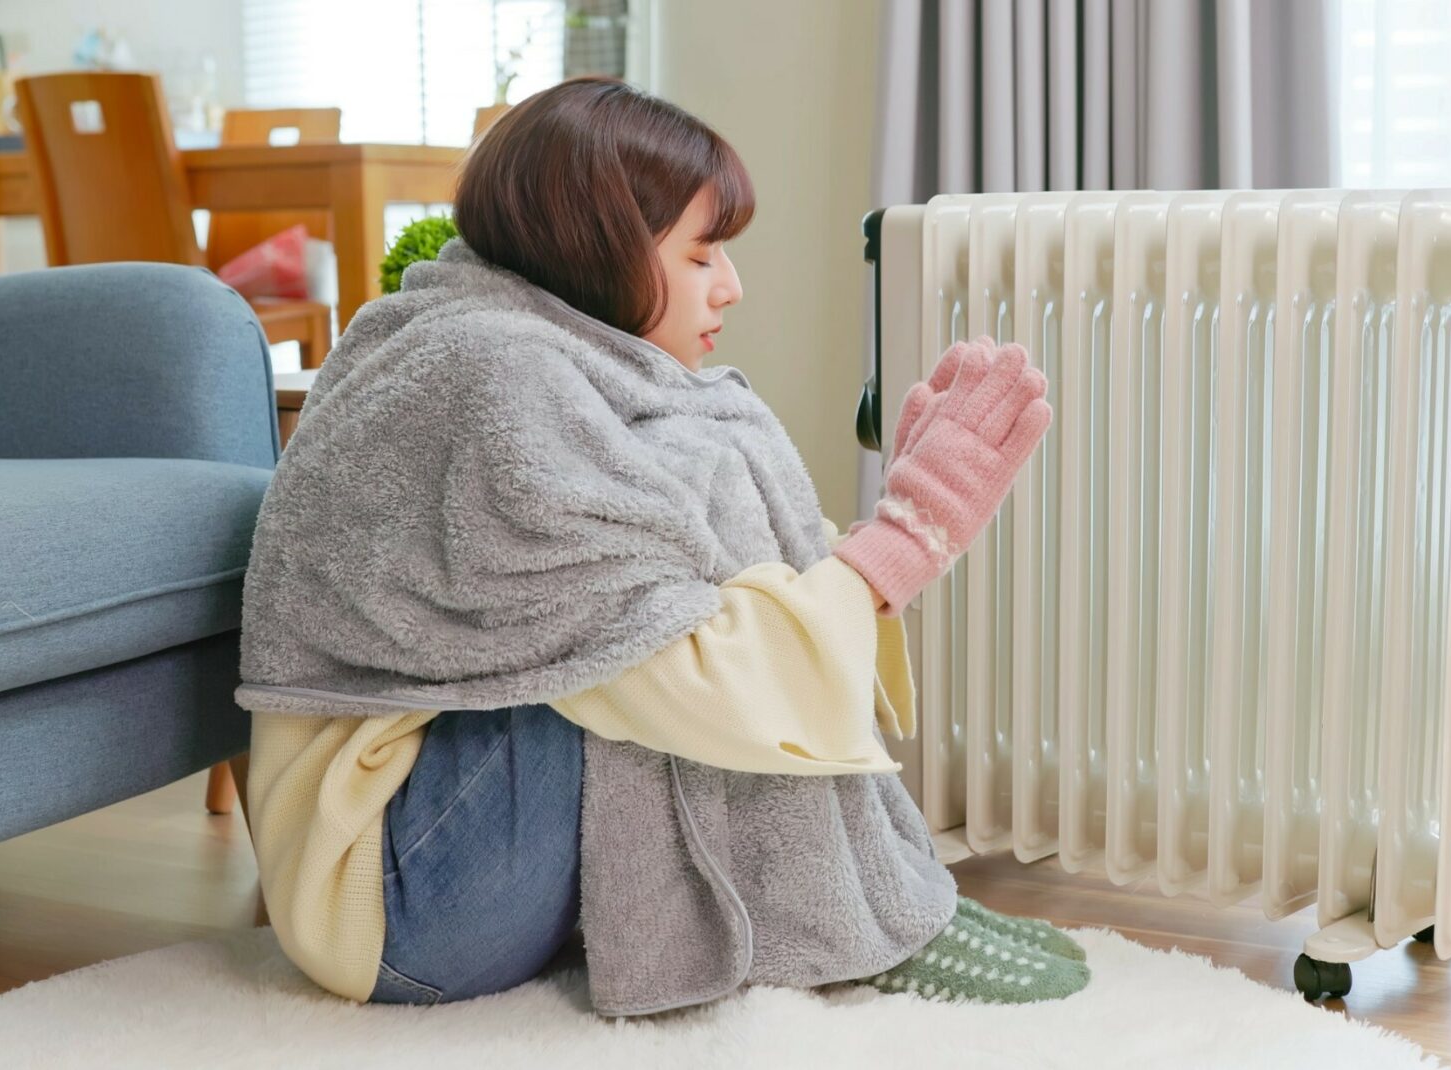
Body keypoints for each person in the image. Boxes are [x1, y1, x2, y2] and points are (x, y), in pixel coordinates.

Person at [234, 75, 1085, 1010]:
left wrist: (878, 550)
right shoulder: (491, 376)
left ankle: (866, 895)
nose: (732, 285)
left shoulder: (546, 355)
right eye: (702, 254)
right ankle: (837, 926)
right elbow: (682, 669)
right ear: (598, 248)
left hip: (454, 853)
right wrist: (906, 540)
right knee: (647, 643)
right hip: (398, 907)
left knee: (668, 592)